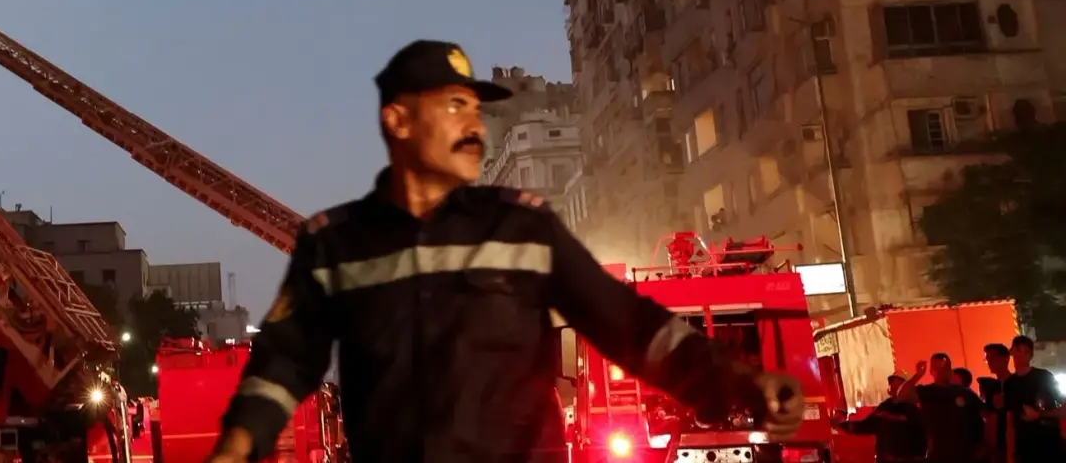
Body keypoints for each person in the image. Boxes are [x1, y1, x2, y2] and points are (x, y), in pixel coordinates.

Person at [209, 41, 804, 463]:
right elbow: (283, 364)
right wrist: (239, 444)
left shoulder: (522, 228)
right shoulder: (334, 244)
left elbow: (626, 322)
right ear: (398, 121)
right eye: (453, 106)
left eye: (476, 109)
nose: (475, 125)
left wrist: (739, 382)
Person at [907, 354, 984, 463]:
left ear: (950, 370)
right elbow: (902, 395)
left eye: (944, 367)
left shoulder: (964, 392)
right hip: (937, 454)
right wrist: (918, 374)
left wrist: (983, 446)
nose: (941, 371)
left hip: (964, 454)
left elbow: (984, 415)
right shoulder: (926, 391)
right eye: (936, 368)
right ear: (932, 371)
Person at [837, 375, 926, 463]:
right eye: (891, 382)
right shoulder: (885, 406)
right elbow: (864, 426)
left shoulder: (916, 408)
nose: (892, 385)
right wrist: (841, 424)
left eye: (897, 382)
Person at [1004, 336, 1064, 463]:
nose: (1021, 355)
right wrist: (1010, 453)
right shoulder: (1009, 383)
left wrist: (1040, 414)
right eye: (1018, 350)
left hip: (1048, 443)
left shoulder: (1044, 376)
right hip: (1024, 446)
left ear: (1031, 355)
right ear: (1012, 352)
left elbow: (1063, 408)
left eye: (1026, 351)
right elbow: (1010, 420)